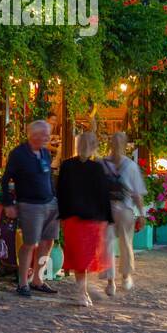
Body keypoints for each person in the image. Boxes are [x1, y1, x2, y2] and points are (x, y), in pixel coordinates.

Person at [0, 119, 59, 297]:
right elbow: (6, 180)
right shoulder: (19, 154)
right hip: (30, 204)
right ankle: (23, 282)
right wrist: (8, 203)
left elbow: (49, 177)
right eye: (45, 134)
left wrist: (55, 198)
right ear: (34, 135)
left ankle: (38, 280)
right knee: (30, 243)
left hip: (49, 203)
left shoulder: (45, 153)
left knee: (48, 241)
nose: (48, 137)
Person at [56, 131, 114, 307]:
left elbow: (61, 192)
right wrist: (108, 218)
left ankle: (82, 291)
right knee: (84, 257)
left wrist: (61, 215)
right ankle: (82, 292)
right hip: (89, 219)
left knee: (80, 257)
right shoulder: (97, 168)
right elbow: (104, 195)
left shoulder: (67, 165)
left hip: (75, 218)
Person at [101, 131, 147, 293]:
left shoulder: (103, 164)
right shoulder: (129, 165)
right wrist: (142, 213)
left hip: (114, 208)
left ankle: (116, 279)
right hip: (119, 208)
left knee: (114, 244)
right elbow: (137, 193)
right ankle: (119, 278)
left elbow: (136, 193)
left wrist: (142, 213)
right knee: (119, 243)